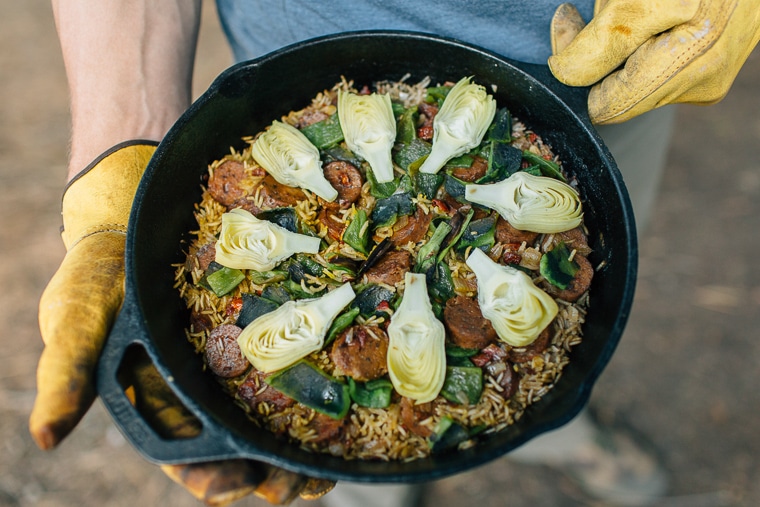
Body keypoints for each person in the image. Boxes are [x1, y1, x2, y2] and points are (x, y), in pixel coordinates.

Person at [31, 0, 759, 506]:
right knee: (362, 459)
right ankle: (378, 487)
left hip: (611, 67)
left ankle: (558, 432)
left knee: (553, 356)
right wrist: (122, 145)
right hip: (300, 31)